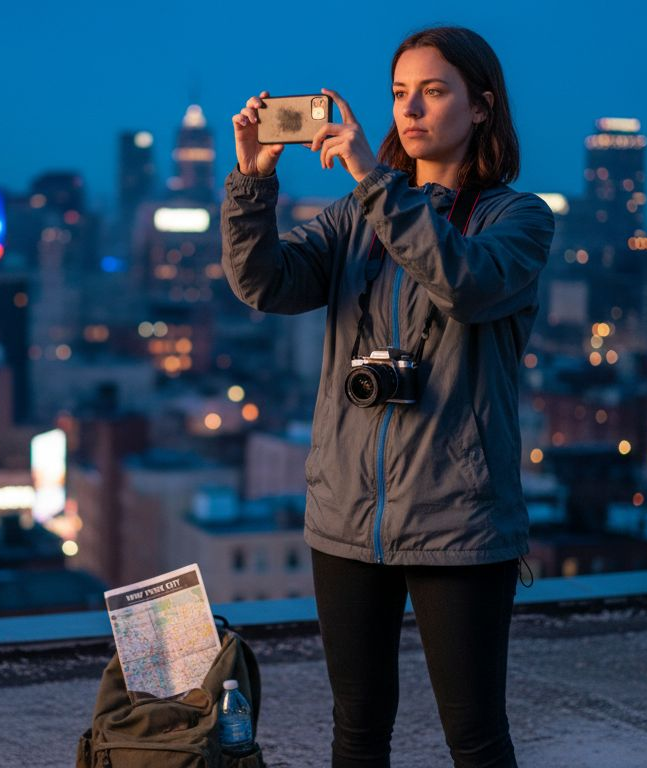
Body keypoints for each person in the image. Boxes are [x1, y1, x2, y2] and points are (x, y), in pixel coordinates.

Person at [220, 25, 554, 768]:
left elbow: (465, 282)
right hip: (345, 516)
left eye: (435, 91)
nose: (412, 109)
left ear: (482, 106)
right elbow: (264, 283)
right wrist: (253, 183)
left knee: (475, 739)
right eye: (401, 92)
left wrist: (375, 181)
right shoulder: (354, 223)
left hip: (457, 518)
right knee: (357, 731)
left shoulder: (517, 218)